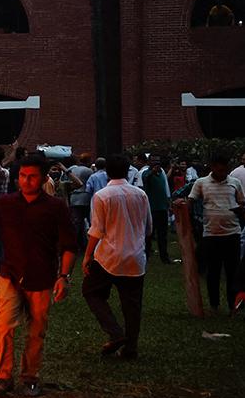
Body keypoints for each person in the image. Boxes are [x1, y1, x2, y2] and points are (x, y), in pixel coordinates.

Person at [0, 156, 76, 398]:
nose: (26, 181)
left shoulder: (55, 207)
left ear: (43, 178)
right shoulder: (5, 203)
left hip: (42, 277)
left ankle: (30, 377)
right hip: (9, 275)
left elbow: (69, 245)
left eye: (32, 176)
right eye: (22, 176)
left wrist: (63, 276)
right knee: (2, 325)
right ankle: (3, 377)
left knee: (36, 330)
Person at [80, 155, 150, 360]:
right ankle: (131, 348)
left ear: (106, 172)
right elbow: (148, 227)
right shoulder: (141, 195)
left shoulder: (102, 195)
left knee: (91, 291)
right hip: (135, 257)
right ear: (128, 170)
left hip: (108, 256)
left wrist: (87, 255)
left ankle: (115, 332)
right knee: (132, 304)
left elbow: (96, 230)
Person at [189, 153, 245, 311]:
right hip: (211, 235)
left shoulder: (234, 182)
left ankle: (232, 305)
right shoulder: (201, 183)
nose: (222, 173)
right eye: (219, 170)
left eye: (225, 170)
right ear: (212, 167)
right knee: (213, 272)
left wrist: (241, 210)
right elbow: (191, 200)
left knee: (232, 272)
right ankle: (214, 305)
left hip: (233, 233)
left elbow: (243, 203)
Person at [140, 156, 172, 266]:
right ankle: (146, 256)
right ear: (149, 163)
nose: (156, 164)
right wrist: (152, 173)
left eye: (158, 162)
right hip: (151, 209)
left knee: (163, 235)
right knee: (149, 234)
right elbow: (145, 180)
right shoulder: (146, 173)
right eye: (154, 162)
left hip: (162, 208)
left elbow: (164, 188)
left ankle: (165, 257)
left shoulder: (161, 173)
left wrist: (168, 202)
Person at [67, 153, 94, 252]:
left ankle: (75, 245)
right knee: (90, 222)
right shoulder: (89, 171)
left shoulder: (73, 170)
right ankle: (89, 246)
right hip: (86, 197)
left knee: (77, 223)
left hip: (74, 197)